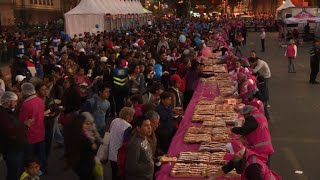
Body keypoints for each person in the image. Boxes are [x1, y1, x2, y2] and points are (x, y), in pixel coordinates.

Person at [208, 140, 282, 180]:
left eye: (232, 157)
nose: (232, 159)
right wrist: (213, 177)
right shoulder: (240, 156)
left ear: (239, 154)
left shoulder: (253, 167)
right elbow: (227, 168)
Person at [19, 83, 46, 170]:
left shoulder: (26, 104)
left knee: (28, 158)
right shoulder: (40, 100)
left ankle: (29, 174)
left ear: (25, 92)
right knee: (40, 155)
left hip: (30, 135)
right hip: (40, 132)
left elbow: (22, 121)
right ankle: (39, 172)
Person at [0, 91, 27, 180]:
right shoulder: (3, 115)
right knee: (13, 173)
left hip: (15, 147)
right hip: (12, 149)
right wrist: (25, 125)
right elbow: (11, 131)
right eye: (15, 101)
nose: (16, 104)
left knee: (16, 172)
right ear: (9, 101)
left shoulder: (8, 112)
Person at [69, 112, 102, 180]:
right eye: (87, 123)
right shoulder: (80, 136)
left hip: (86, 163)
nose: (89, 125)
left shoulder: (82, 132)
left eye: (90, 123)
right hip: (84, 164)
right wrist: (92, 145)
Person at [35, 83, 59, 170]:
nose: (45, 91)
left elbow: (56, 110)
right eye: (42, 90)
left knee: (48, 145)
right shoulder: (35, 101)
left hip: (48, 126)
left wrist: (51, 116)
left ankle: (44, 164)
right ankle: (40, 166)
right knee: (39, 148)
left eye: (46, 89)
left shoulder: (50, 100)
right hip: (38, 128)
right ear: (37, 91)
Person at [108, 107, 135, 180]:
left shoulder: (114, 120)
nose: (132, 118)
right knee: (120, 175)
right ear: (127, 116)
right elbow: (126, 143)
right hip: (119, 155)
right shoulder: (128, 126)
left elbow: (110, 131)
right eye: (131, 116)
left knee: (113, 173)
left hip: (111, 150)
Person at [125, 116, 154, 180]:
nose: (150, 128)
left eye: (150, 125)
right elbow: (130, 167)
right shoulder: (135, 145)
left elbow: (146, 157)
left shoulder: (144, 138)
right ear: (138, 128)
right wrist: (149, 165)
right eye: (146, 125)